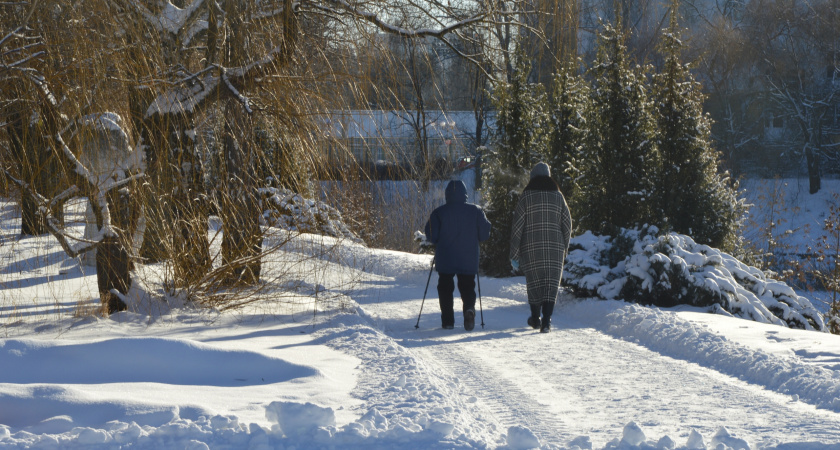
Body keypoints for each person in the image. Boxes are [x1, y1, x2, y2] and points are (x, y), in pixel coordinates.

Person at [509, 162, 573, 333]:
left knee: (534, 283)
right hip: (555, 248)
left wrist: (514, 253)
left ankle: (535, 318)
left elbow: (517, 226)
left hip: (531, 248)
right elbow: (567, 223)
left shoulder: (526, 196)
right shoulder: (558, 196)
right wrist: (564, 246)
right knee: (551, 285)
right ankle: (547, 321)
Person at [425, 179, 491, 330]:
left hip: (446, 258)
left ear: (447, 194)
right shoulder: (476, 211)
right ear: (465, 194)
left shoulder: (439, 212)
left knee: (445, 288)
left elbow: (431, 236)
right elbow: (485, 234)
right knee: (468, 286)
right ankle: (469, 308)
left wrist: (439, 238)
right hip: (468, 258)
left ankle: (448, 321)